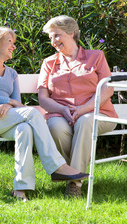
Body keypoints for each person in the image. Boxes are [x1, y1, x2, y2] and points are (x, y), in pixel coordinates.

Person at [0, 26, 88, 201]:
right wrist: (7, 102)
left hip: (4, 119)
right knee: (31, 113)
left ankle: (21, 188)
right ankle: (57, 167)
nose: (13, 46)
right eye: (9, 41)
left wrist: (10, 105)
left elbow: (18, 105)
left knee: (24, 128)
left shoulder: (12, 74)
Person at [37, 15, 117, 197]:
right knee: (55, 126)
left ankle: (74, 183)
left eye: (56, 35)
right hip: (61, 115)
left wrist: (83, 109)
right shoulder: (49, 63)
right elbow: (43, 98)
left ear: (71, 33)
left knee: (85, 121)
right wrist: (62, 110)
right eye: (50, 37)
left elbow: (108, 89)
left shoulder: (96, 57)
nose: (53, 42)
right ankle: (74, 173)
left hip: (98, 113)